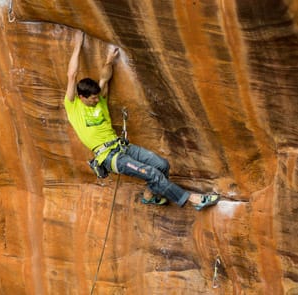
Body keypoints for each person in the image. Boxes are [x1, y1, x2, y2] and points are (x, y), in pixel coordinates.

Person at [63, 31, 219, 211]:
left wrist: (108, 61)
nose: (97, 100)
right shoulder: (73, 107)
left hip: (122, 146)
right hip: (110, 157)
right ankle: (194, 199)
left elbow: (105, 78)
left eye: (98, 97)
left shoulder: (101, 101)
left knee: (162, 165)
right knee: (152, 174)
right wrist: (77, 46)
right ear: (81, 97)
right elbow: (71, 75)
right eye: (93, 99)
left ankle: (149, 196)